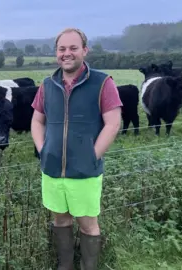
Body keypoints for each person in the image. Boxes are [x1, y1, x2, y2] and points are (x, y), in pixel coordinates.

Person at [30, 28, 122, 270]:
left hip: (85, 172)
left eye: (73, 48)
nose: (66, 53)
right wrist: (43, 149)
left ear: (84, 50)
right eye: (62, 49)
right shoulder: (47, 85)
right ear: (56, 53)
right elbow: (37, 120)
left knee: (88, 223)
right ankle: (65, 266)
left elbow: (113, 124)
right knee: (60, 219)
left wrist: (93, 155)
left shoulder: (102, 82)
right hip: (52, 171)